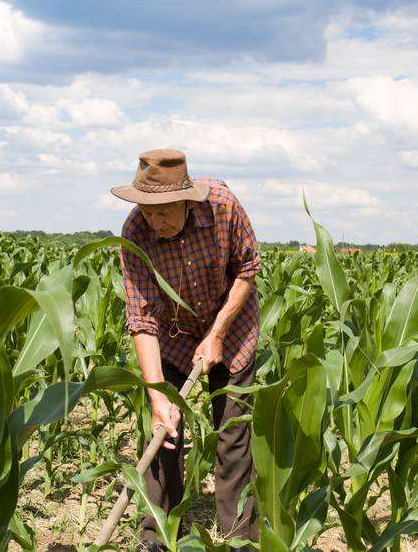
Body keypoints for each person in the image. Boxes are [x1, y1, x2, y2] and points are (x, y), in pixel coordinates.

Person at [110, 148, 260, 550]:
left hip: (232, 329)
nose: (152, 221)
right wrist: (159, 396)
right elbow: (141, 320)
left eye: (162, 212)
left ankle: (239, 538)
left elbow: (247, 270)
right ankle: (157, 535)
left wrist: (216, 334)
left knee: (232, 434)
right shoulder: (135, 234)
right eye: (146, 209)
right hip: (173, 339)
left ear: (185, 201)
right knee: (165, 433)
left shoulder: (222, 207)